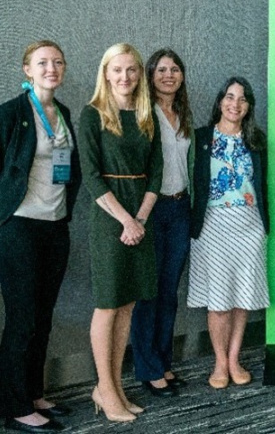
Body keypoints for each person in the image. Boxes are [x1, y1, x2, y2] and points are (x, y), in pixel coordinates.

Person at [0, 41, 81, 433]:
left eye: (58, 62)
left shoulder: (62, 114)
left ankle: (34, 393)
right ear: (27, 70)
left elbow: (69, 169)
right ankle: (14, 407)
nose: (52, 68)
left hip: (55, 226)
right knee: (22, 318)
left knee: (43, 317)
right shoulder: (12, 114)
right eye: (43, 63)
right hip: (19, 227)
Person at [79, 43, 162, 423]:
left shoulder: (147, 115)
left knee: (128, 304)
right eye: (117, 70)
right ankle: (105, 389)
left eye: (131, 70)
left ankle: (114, 386)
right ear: (106, 73)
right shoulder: (92, 114)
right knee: (108, 304)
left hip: (139, 218)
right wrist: (126, 221)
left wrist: (140, 220)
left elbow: (156, 172)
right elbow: (92, 178)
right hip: (108, 216)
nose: (125, 77)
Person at [188, 76, 269, 389]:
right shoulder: (201, 138)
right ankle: (219, 362)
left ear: (249, 106)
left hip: (249, 226)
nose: (235, 104)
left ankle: (234, 358)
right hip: (213, 226)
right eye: (230, 97)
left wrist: (265, 224)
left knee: (242, 298)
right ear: (220, 100)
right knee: (219, 300)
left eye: (243, 99)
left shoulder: (256, 141)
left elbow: (263, 186)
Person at [130, 49, 194, 397]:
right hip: (150, 211)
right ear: (150, 74)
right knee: (148, 293)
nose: (169, 75)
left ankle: (164, 362)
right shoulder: (143, 113)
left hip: (180, 209)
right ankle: (148, 368)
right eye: (162, 69)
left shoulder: (182, 113)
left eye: (175, 69)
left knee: (169, 293)